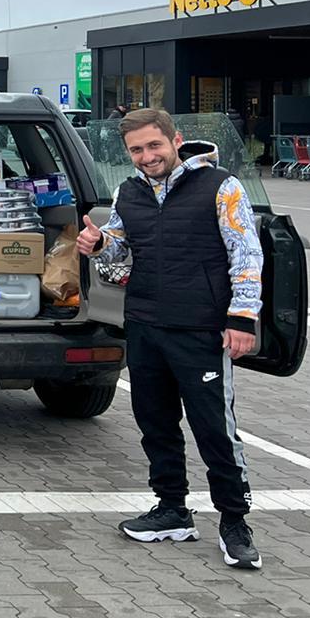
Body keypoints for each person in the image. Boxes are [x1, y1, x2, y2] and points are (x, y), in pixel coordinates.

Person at [77, 107, 264, 569]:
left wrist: (242, 320)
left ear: (174, 140)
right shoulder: (129, 191)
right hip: (144, 325)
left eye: (153, 146)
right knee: (155, 423)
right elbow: (120, 251)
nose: (146, 156)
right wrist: (100, 244)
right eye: (136, 150)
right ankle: (172, 510)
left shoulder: (221, 186)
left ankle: (234, 522)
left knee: (214, 429)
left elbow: (246, 255)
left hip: (201, 329)